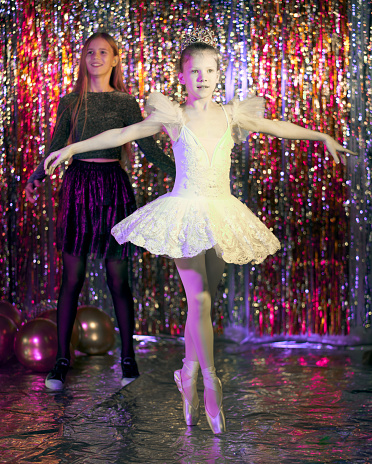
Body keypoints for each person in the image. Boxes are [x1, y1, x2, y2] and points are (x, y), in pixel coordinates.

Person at [43, 27, 355, 431]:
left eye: (210, 70)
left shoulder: (231, 114)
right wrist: (71, 147)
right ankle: (211, 381)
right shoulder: (173, 118)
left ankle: (187, 370)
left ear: (218, 74)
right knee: (202, 300)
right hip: (184, 215)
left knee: (203, 304)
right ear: (183, 77)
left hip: (221, 214)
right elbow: (123, 134)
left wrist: (321, 135)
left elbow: (277, 126)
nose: (203, 78)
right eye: (195, 72)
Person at [25, 31, 175, 391]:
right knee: (71, 279)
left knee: (118, 280)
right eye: (90, 51)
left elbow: (149, 149)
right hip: (77, 188)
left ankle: (128, 359)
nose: (96, 57)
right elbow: (56, 147)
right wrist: (35, 179)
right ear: (84, 58)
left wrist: (186, 170)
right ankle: (62, 361)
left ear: (115, 59)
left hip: (114, 189)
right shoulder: (71, 102)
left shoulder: (125, 103)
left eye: (103, 52)